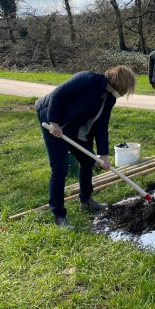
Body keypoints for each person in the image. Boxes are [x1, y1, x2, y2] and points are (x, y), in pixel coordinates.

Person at [35, 66, 136, 227]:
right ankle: (59, 216)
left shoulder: (110, 98)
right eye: (127, 89)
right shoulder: (88, 79)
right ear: (120, 83)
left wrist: (103, 155)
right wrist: (53, 122)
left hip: (75, 126)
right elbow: (57, 94)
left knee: (88, 160)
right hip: (52, 120)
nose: (125, 93)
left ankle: (86, 200)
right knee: (60, 169)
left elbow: (102, 126)